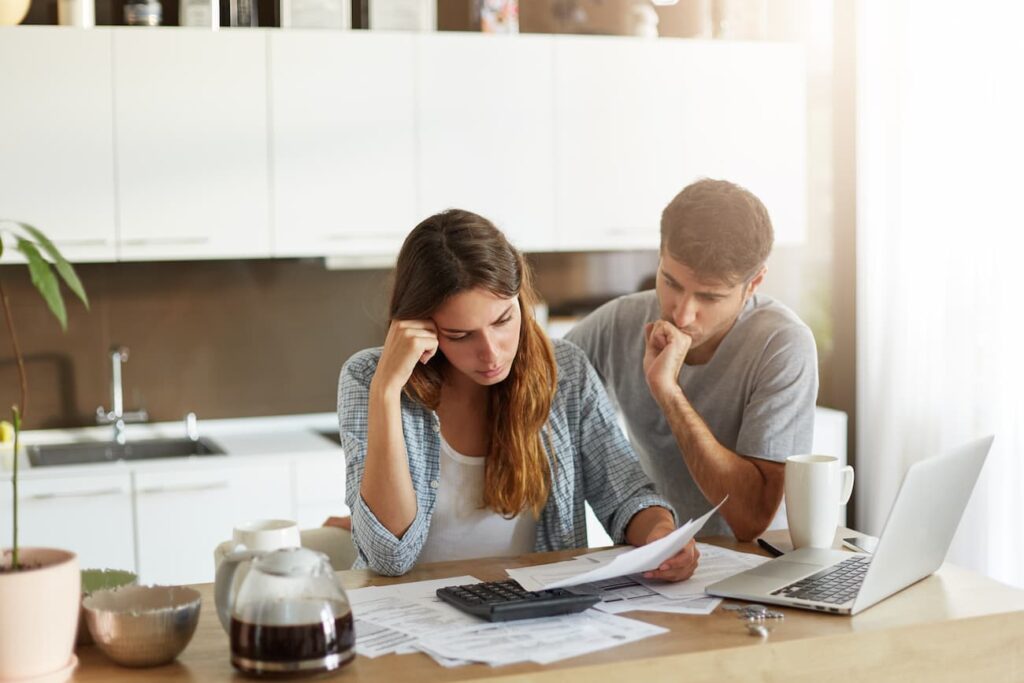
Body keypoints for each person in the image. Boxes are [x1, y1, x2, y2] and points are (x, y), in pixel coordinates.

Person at [338, 209, 700, 578]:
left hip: (529, 618)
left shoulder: (565, 369)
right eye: (460, 335)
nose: (491, 353)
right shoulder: (369, 378)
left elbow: (625, 493)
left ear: (521, 301)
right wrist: (386, 391)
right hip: (412, 620)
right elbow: (388, 558)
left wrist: (660, 534)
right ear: (418, 326)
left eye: (503, 321)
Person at [566, 179, 818, 542]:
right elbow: (537, 383)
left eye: (710, 297)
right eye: (670, 282)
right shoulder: (618, 323)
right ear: (660, 255)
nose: (682, 314)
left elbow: (750, 519)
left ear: (754, 283)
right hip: (659, 557)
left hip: (756, 564)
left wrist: (668, 392)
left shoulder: (781, 344)